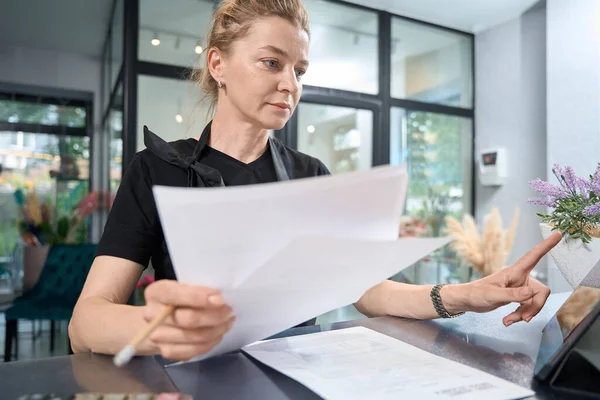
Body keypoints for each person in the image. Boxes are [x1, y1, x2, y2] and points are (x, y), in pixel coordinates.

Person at [68, 0, 562, 362]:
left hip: (299, 373)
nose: (291, 84)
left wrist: (467, 294)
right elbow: (86, 320)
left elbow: (365, 291)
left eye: (300, 70)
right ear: (217, 63)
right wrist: (162, 330)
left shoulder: (310, 175)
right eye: (271, 63)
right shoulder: (156, 170)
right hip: (194, 379)